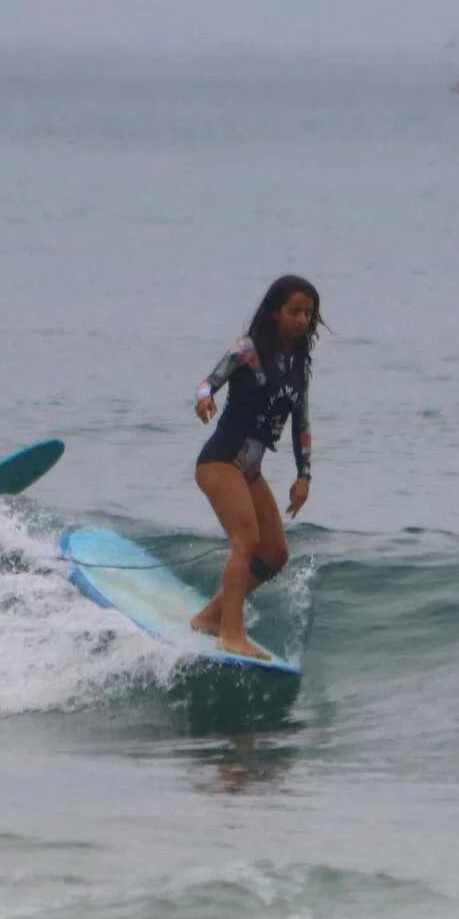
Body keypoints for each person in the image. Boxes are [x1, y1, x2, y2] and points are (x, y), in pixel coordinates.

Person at [189, 274, 320, 659]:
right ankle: (231, 634)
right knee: (246, 540)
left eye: (308, 314)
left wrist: (304, 475)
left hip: (250, 469)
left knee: (275, 553)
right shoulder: (248, 350)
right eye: (294, 311)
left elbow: (302, 422)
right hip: (220, 460)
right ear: (275, 312)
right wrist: (203, 400)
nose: (302, 320)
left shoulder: (299, 363)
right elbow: (207, 382)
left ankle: (211, 616)